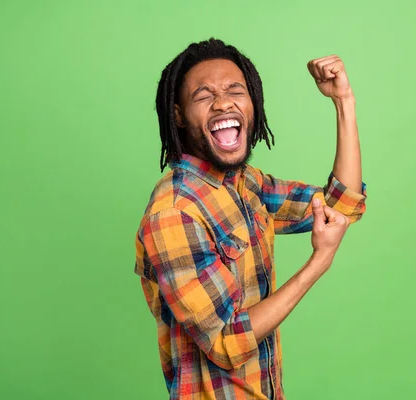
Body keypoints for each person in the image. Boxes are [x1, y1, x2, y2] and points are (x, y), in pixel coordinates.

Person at [134, 38, 367, 400]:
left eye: (234, 90)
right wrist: (318, 262)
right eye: (203, 95)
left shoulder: (248, 185)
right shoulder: (173, 213)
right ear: (178, 115)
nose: (223, 102)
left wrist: (344, 102)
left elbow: (341, 205)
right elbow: (226, 342)